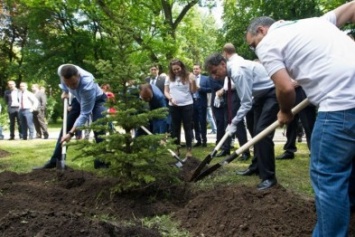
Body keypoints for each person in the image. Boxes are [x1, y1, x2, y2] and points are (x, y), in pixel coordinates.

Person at [245, 1, 355, 235]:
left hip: (340, 106)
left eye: (253, 44)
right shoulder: (316, 22)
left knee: (328, 176)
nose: (255, 50)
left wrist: (285, 111)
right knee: (349, 167)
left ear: (262, 31)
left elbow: (285, 89)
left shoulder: (269, 43)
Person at [205, 53, 279, 190]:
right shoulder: (231, 71)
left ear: (222, 63)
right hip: (259, 97)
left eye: (215, 71)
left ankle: (269, 177)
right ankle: (256, 166)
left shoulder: (238, 71)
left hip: (272, 92)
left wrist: (233, 123)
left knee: (262, 133)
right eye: (211, 74)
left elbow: (245, 103)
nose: (214, 76)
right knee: (255, 132)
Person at [35, 64, 107, 169]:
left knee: (98, 127)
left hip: (97, 100)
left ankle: (102, 162)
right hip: (78, 99)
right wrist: (65, 90)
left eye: (73, 83)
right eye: (67, 84)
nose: (71, 86)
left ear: (79, 76)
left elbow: (85, 114)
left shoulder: (87, 84)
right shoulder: (61, 70)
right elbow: (64, 83)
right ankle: (55, 160)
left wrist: (71, 133)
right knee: (65, 127)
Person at [215, 43, 251, 160]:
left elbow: (238, 82)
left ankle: (244, 151)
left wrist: (224, 89)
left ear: (225, 52)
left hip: (235, 95)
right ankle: (226, 148)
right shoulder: (228, 64)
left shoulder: (237, 62)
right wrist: (223, 90)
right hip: (228, 95)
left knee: (238, 122)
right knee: (228, 121)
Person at [164, 59, 197, 160]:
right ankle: (176, 149)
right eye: (174, 70)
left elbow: (193, 91)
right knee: (175, 128)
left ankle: (189, 150)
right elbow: (166, 91)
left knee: (188, 127)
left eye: (178, 69)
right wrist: (170, 98)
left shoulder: (188, 76)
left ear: (182, 67)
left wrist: (193, 81)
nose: (176, 71)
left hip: (187, 105)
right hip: (174, 106)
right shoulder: (169, 78)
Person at [276, 84, 316, 160]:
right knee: (290, 125)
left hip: (303, 93)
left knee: (309, 125)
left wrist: (295, 82)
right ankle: (289, 150)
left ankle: (314, 151)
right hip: (291, 94)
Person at [192, 63, 211, 147]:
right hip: (192, 102)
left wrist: (200, 88)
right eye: (194, 69)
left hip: (201, 102)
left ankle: (204, 140)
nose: (195, 70)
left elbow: (210, 89)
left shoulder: (206, 78)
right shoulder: (190, 78)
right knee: (195, 122)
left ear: (200, 70)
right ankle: (198, 140)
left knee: (202, 121)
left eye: (197, 69)